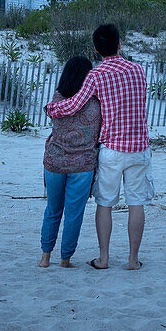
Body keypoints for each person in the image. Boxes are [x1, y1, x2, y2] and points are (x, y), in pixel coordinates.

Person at [45, 23, 150, 270]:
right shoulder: (138, 70)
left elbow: (74, 105)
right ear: (119, 44)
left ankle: (103, 258)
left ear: (95, 49)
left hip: (112, 147)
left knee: (105, 203)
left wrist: (51, 109)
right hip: (139, 147)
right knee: (136, 203)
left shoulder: (96, 75)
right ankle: (133, 260)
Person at [39, 56, 101, 268]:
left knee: (53, 210)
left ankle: (45, 258)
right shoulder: (94, 104)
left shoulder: (57, 99)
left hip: (55, 162)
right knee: (74, 214)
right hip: (82, 165)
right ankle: (65, 260)